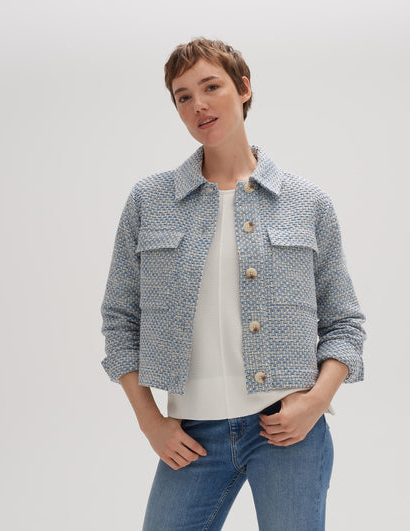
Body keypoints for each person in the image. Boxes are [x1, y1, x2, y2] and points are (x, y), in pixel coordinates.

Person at [100, 37, 366, 530]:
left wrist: (315, 403)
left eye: (211, 87)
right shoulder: (149, 201)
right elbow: (119, 320)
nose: (198, 105)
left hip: (288, 429)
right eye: (183, 96)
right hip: (191, 436)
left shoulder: (306, 202)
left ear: (243, 88)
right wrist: (150, 421)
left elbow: (345, 323)